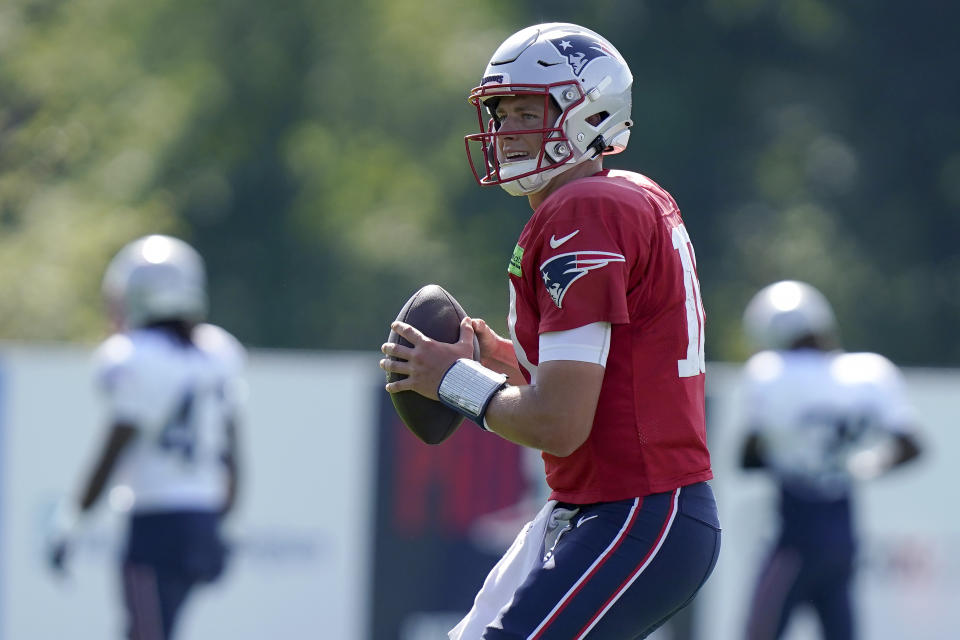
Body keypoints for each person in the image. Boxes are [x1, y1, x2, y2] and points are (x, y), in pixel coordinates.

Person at [380, 22, 720, 639]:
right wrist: (495, 360)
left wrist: (453, 380)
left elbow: (558, 425)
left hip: (637, 510)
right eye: (501, 111)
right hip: (607, 509)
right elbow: (593, 381)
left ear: (590, 111)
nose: (507, 130)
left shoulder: (584, 210)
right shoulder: (618, 198)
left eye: (528, 110)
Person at [46, 234, 247, 640]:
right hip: (202, 519)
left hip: (156, 524)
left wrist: (71, 521)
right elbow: (232, 454)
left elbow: (112, 449)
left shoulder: (134, 356)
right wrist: (220, 522)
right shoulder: (220, 352)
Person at [738, 280, 923, 640]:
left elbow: (748, 457)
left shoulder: (770, 374)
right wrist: (857, 466)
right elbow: (911, 446)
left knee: (759, 631)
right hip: (842, 529)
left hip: (795, 527)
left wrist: (795, 456)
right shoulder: (868, 374)